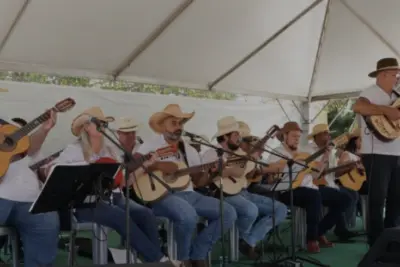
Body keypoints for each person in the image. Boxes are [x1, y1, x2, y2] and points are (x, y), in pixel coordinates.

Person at [49, 107, 174, 264]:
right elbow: (54, 172)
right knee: (119, 216)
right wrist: (86, 169)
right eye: (98, 123)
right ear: (86, 127)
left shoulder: (111, 151)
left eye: (104, 124)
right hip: (84, 203)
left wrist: (146, 165)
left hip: (114, 197)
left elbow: (122, 183)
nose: (103, 126)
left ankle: (152, 260)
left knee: (146, 215)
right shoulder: (74, 150)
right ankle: (159, 260)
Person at [136, 104, 237, 267]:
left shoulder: (189, 149)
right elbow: (134, 167)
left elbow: (199, 182)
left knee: (229, 212)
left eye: (180, 123)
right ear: (163, 126)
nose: (178, 127)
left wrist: (212, 172)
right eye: (174, 123)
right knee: (188, 215)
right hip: (162, 196)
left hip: (190, 194)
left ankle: (198, 254)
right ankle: (184, 259)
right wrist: (160, 166)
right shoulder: (150, 145)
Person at [202, 117, 287, 259]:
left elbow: (247, 170)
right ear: (225, 136)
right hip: (223, 195)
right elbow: (206, 179)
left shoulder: (240, 153)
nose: (239, 138)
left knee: (280, 209)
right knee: (250, 210)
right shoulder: (211, 153)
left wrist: (255, 154)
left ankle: (248, 241)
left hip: (244, 192)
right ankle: (241, 239)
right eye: (235, 135)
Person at [267, 122, 348, 253]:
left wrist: (326, 156)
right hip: (287, 190)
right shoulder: (277, 152)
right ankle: (311, 239)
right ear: (285, 136)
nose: (297, 139)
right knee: (313, 196)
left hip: (309, 187)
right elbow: (271, 176)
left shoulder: (304, 152)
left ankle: (319, 231)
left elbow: (315, 175)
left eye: (299, 136)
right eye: (294, 136)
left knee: (345, 198)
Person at [0, 111, 60, 266]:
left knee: (48, 220)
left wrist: (44, 129)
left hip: (31, 202)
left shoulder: (28, 144)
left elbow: (31, 149)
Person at [352, 57, 400, 247]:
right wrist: (386, 110)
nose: (397, 78)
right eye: (395, 75)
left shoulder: (397, 94)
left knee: (396, 199)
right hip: (376, 153)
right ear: (383, 75)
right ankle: (376, 244)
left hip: (397, 153)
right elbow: (358, 107)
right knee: (377, 200)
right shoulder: (369, 92)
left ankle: (393, 240)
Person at [112, 117, 161, 250]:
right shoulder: (112, 150)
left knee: (147, 211)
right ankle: (151, 252)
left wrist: (147, 165)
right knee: (140, 213)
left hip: (141, 189)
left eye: (133, 132)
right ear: (118, 133)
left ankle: (154, 250)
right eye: (127, 133)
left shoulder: (143, 147)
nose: (131, 136)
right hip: (120, 193)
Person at [305, 124, 358, 241]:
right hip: (313, 185)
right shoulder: (308, 150)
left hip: (329, 184)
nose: (328, 136)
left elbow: (333, 173)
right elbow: (315, 172)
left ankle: (329, 229)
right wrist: (326, 155)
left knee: (349, 195)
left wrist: (347, 168)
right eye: (325, 133)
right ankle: (324, 231)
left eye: (328, 134)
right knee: (345, 198)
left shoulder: (332, 151)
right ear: (316, 136)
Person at [337, 127, 363, 227]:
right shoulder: (347, 154)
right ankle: (345, 225)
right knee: (352, 194)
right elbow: (340, 171)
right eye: (361, 140)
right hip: (347, 183)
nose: (363, 142)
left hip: (360, 183)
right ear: (355, 141)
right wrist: (350, 165)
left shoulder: (364, 155)